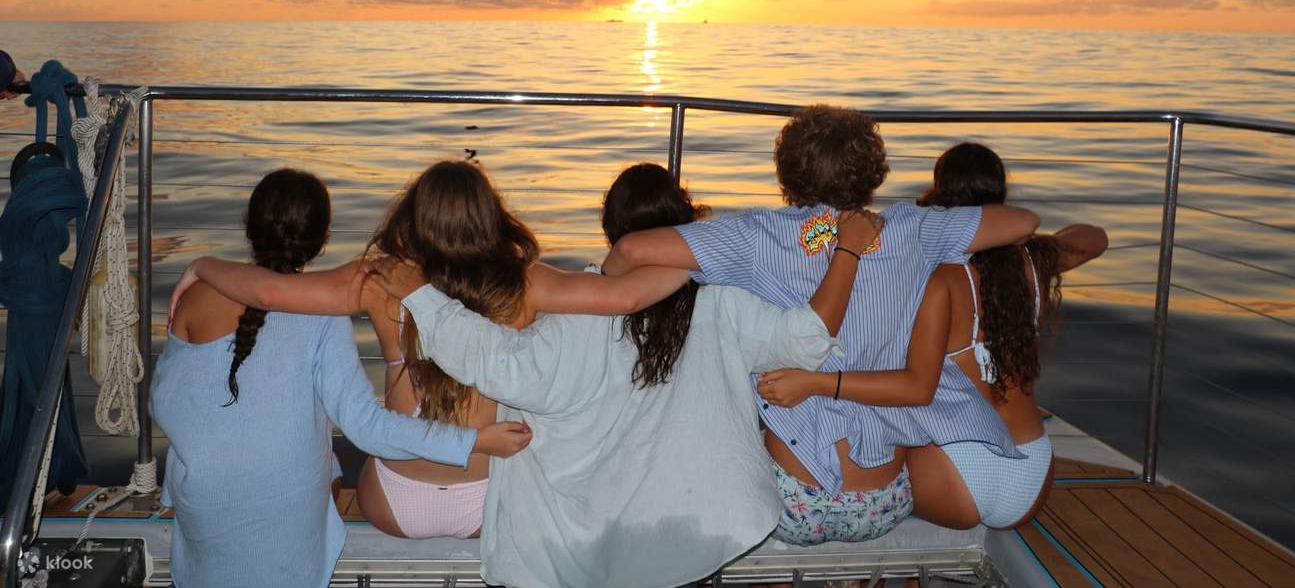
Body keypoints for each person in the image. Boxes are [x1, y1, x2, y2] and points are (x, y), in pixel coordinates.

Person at [369, 162, 862, 588]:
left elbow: (499, 367)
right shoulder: (726, 302)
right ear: (685, 222)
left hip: (593, 542)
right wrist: (846, 253)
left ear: (611, 232)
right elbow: (807, 339)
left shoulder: (575, 318)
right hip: (701, 529)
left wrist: (424, 299)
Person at [168, 160, 689, 539]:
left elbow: (269, 292)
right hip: (486, 502)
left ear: (414, 217)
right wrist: (707, 258)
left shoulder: (381, 279)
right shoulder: (523, 283)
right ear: (490, 216)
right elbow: (628, 295)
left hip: (393, 503)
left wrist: (204, 265)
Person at [602, 105, 1041, 544]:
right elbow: (1024, 222)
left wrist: (608, 278)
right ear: (873, 171)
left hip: (794, 503)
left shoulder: (757, 235)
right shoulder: (913, 229)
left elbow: (630, 252)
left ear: (786, 172)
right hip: (886, 500)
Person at [152, 168, 531, 588]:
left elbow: (166, 402)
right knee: (328, 457)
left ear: (248, 223)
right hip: (471, 502)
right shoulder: (523, 285)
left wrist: (203, 265)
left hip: (228, 502)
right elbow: (364, 426)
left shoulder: (194, 299)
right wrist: (476, 441)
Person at [757, 142, 1108, 529]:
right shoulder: (1032, 263)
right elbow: (1095, 238)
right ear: (1001, 193)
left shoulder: (934, 272)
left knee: (878, 456)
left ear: (939, 191)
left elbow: (914, 384)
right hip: (1033, 474)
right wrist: (1042, 244)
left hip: (957, 473)